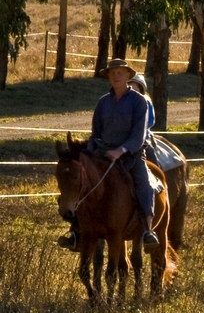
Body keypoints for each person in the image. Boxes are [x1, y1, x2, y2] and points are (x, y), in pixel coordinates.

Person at [57, 58, 160, 251]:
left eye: (120, 72)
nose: (116, 76)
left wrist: (120, 151)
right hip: (103, 154)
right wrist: (94, 150)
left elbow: (138, 136)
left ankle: (147, 230)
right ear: (109, 78)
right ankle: (76, 231)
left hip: (132, 155)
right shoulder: (103, 103)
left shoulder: (140, 102)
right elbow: (96, 132)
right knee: (83, 180)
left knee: (144, 183)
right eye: (112, 74)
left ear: (128, 75)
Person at [128, 73, 158, 166]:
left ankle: (158, 174)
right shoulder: (122, 102)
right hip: (122, 136)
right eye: (130, 89)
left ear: (141, 91)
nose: (134, 93)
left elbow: (150, 120)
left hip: (141, 137)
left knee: (150, 153)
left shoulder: (145, 101)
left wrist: (138, 128)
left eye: (136, 90)